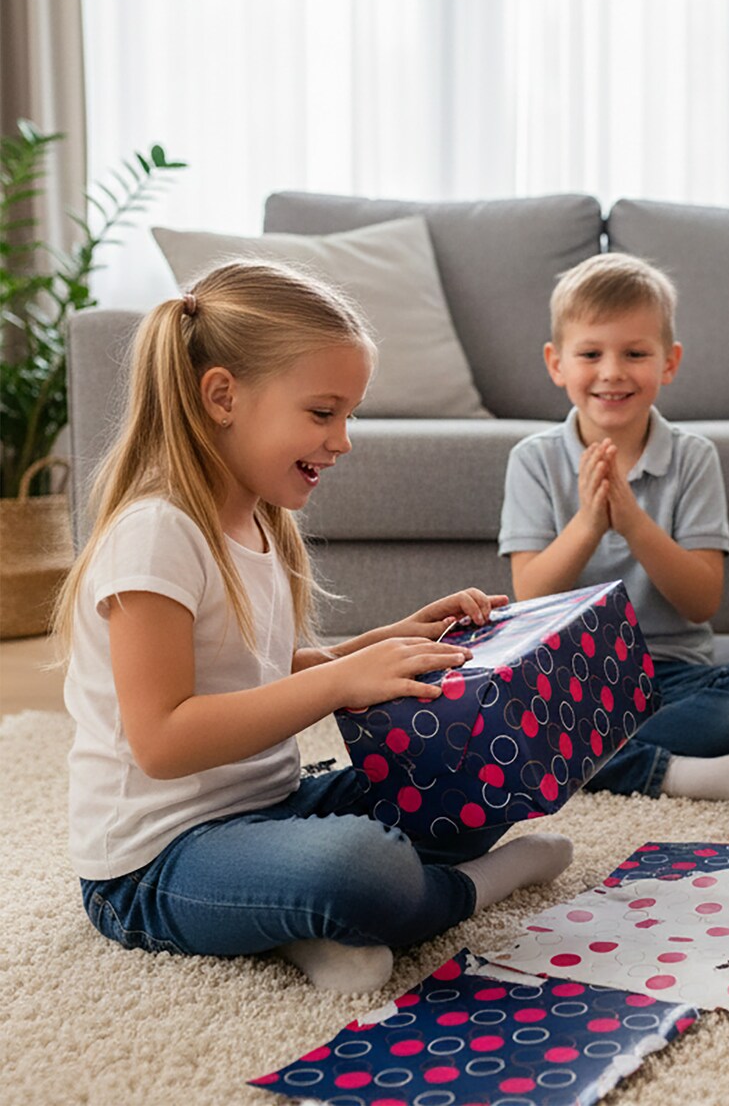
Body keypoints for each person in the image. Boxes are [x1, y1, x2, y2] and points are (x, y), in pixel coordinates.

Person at [54, 261, 572, 995]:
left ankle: (302, 924)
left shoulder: (259, 521)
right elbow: (162, 740)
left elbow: (261, 670)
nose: (344, 440)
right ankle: (477, 885)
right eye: (324, 413)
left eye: (348, 415)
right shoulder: (155, 535)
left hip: (268, 810)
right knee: (364, 866)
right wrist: (339, 683)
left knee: (469, 773)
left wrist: (387, 642)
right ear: (223, 397)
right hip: (153, 862)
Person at [498, 253, 729, 807]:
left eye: (635, 354)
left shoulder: (693, 457)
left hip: (670, 677)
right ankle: (670, 773)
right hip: (570, 677)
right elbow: (531, 595)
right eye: (591, 354)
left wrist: (632, 521)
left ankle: (578, 757)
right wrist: (590, 522)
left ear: (669, 362)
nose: (612, 372)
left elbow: (701, 601)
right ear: (556, 364)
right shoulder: (533, 459)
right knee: (498, 707)